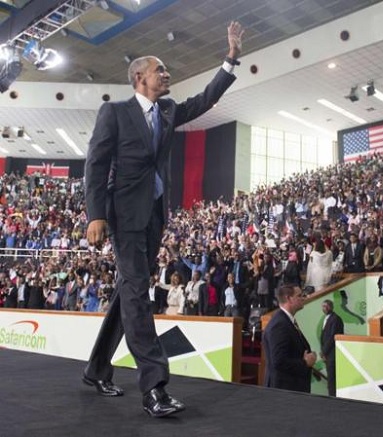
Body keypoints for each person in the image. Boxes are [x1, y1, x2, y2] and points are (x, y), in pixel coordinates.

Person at [82, 21, 244, 418]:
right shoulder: (115, 112)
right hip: (123, 215)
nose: (167, 74)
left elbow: (204, 100)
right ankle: (154, 387)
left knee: (129, 291)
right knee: (137, 291)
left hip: (155, 214)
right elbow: (96, 164)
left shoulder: (169, 109)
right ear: (140, 77)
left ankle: (97, 368)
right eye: (160, 70)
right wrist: (96, 214)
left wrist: (230, 60)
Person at [263, 284, 317, 393]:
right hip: (284, 392)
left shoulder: (286, 321)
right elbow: (278, 361)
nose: (303, 298)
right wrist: (304, 362)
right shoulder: (280, 324)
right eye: (299, 295)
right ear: (289, 298)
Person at [320, 299, 344, 396]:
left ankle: (333, 398)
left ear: (331, 307)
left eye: (326, 306)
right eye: (323, 306)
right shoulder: (326, 319)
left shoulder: (336, 319)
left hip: (333, 354)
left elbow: (332, 337)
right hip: (328, 355)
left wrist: (324, 352)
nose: (324, 308)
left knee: (332, 379)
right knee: (331, 378)